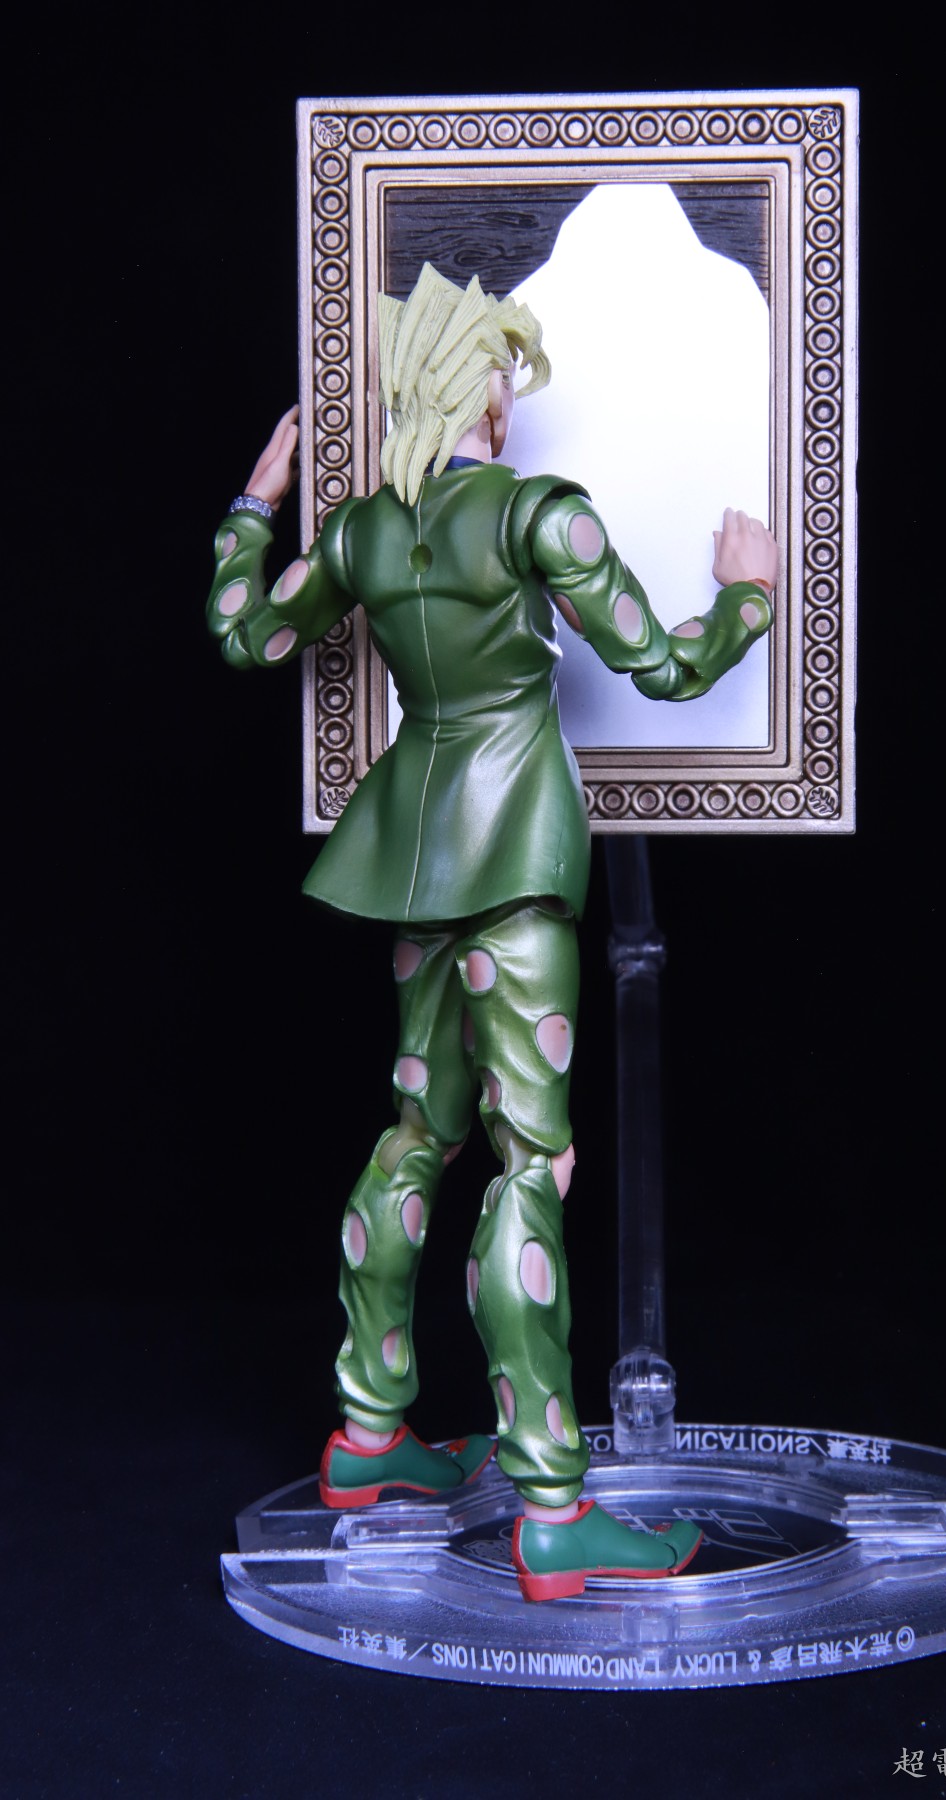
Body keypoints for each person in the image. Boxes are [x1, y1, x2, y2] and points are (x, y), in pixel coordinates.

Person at [206, 264, 778, 1601]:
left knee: (418, 1132)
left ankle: (368, 1433)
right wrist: (749, 595)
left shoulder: (361, 531)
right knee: (535, 1163)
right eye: (507, 374)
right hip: (516, 859)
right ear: (490, 395)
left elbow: (246, 635)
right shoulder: (534, 513)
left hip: (411, 860)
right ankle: (552, 1506)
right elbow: (664, 664)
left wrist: (254, 504)